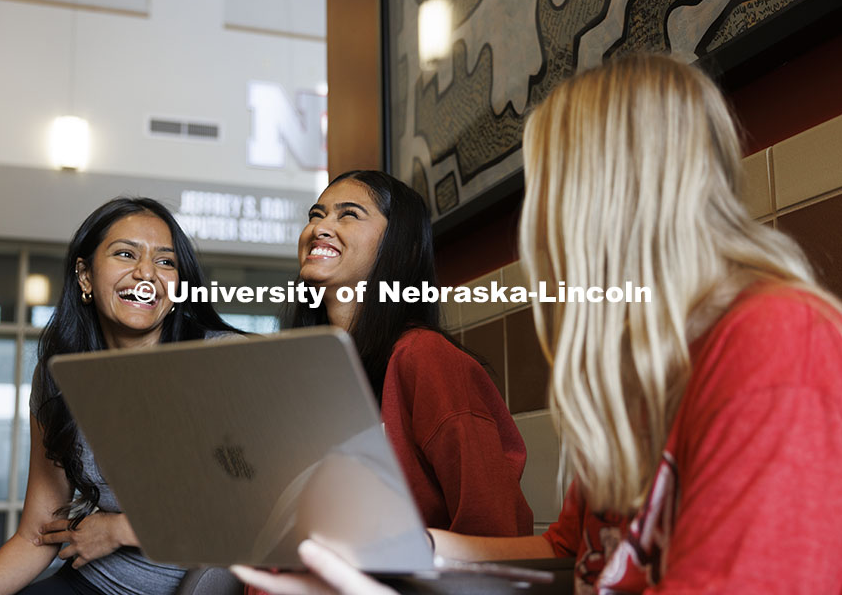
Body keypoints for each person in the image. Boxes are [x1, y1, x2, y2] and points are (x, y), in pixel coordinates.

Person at [234, 54, 842, 593]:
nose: (536, 216)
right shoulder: (643, 369)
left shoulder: (777, 338)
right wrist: (395, 549)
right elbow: (570, 552)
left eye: (551, 182)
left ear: (618, 192)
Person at [0, 197, 242, 595]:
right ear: (85, 275)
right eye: (126, 254)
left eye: (165, 262)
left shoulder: (224, 360)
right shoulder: (59, 375)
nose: (146, 273)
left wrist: (121, 529)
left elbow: (262, 506)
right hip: (91, 582)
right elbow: (36, 535)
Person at [284, 169, 533, 537]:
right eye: (316, 215)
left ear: (404, 245)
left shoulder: (425, 356)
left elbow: (494, 530)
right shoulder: (307, 368)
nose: (319, 228)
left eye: (348, 214)